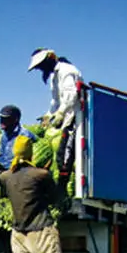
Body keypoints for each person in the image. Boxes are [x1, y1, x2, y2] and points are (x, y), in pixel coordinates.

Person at [0, 135, 65, 253]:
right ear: (30, 152)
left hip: (18, 232)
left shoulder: (6, 176)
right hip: (41, 229)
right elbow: (54, 198)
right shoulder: (41, 175)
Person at [27, 48, 82, 191]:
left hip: (76, 119)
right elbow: (55, 101)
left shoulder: (67, 70)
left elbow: (71, 95)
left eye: (41, 66)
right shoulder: (54, 77)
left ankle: (62, 189)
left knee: (65, 156)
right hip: (66, 120)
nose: (41, 70)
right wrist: (49, 115)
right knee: (61, 155)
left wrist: (61, 113)